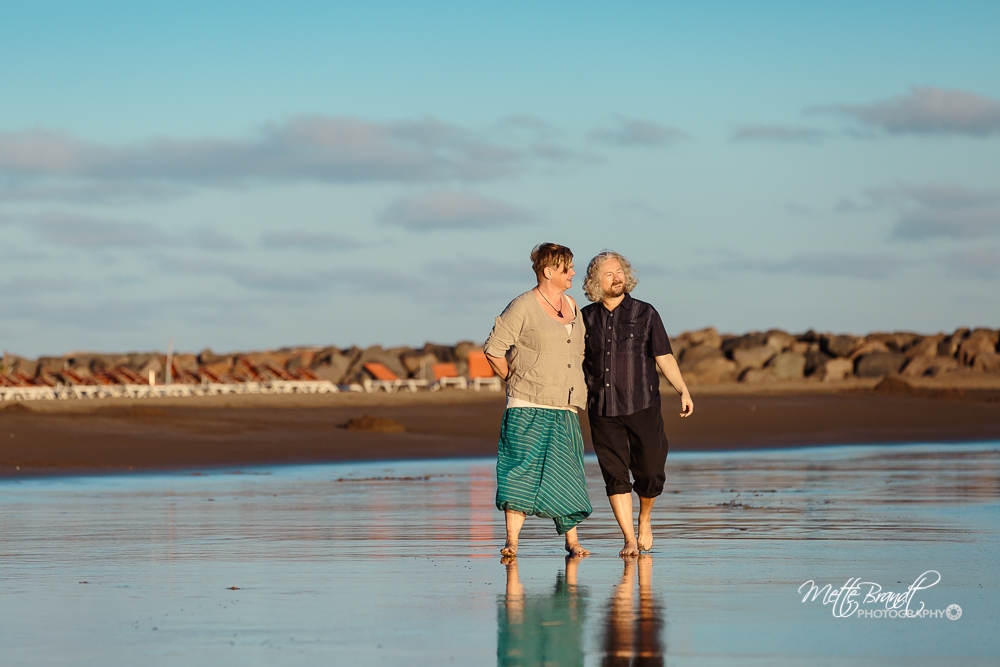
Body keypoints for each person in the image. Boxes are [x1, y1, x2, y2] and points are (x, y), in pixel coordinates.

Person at [581, 250, 693, 557]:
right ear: (595, 282)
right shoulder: (584, 318)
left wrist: (682, 389)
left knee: (651, 471)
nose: (617, 277)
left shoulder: (646, 313)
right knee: (615, 476)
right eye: (609, 274)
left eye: (619, 271)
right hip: (602, 409)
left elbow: (663, 355)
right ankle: (629, 538)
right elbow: (572, 361)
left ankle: (644, 518)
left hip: (643, 404)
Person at [484, 242, 592, 558]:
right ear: (548, 271)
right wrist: (514, 378)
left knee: (567, 473)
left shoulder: (572, 306)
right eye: (566, 268)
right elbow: (493, 349)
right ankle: (512, 542)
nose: (573, 272)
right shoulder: (523, 306)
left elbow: (580, 352)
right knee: (519, 471)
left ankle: (572, 542)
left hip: (565, 404)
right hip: (527, 404)